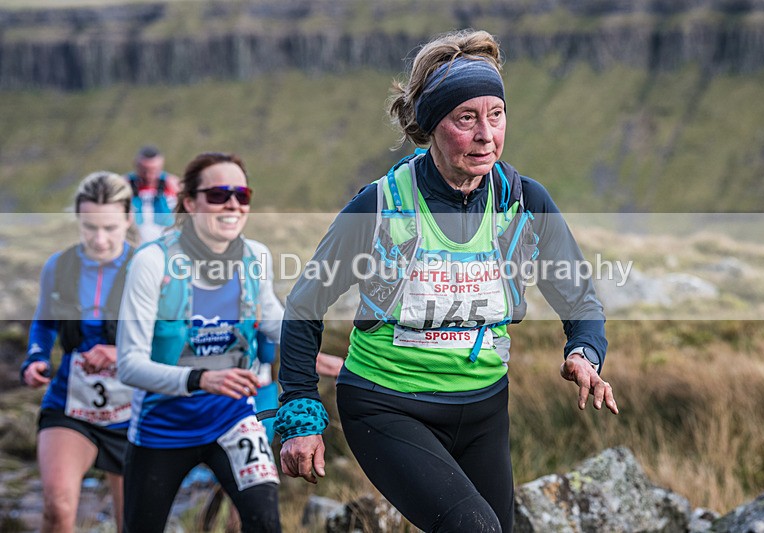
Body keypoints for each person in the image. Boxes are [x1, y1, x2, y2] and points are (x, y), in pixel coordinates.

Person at [275, 29, 618, 532]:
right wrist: (300, 410)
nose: (486, 135)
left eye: (496, 115)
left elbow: (579, 296)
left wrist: (583, 352)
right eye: (466, 118)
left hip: (483, 408)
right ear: (433, 125)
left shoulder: (522, 200)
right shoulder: (380, 205)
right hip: (387, 404)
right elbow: (305, 303)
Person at [116, 152, 342, 533]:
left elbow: (271, 318)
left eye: (242, 194)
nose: (233, 203)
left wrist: (317, 358)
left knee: (265, 522)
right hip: (162, 427)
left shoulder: (255, 256)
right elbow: (129, 365)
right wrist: (201, 379)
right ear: (189, 203)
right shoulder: (152, 262)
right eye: (218, 194)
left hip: (234, 418)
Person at [20, 171, 137, 532]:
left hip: (134, 411)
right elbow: (43, 323)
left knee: (131, 521)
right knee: (57, 507)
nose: (100, 240)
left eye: (110, 228)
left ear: (128, 220)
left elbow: (170, 337)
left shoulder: (148, 266)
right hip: (71, 404)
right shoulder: (59, 266)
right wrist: (36, 357)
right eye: (89, 228)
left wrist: (123, 354)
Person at [127, 145, 180, 243]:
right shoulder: (125, 185)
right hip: (134, 241)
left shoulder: (173, 185)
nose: (148, 175)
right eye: (144, 171)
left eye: (153, 170)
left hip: (165, 241)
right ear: (136, 166)